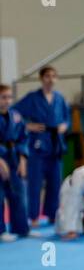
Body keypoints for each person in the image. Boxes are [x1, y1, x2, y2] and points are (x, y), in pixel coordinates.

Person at [14, 65, 69, 227]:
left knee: (55, 181)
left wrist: (64, 126)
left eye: (53, 76)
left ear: (56, 79)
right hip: (37, 144)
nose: (50, 79)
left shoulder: (60, 98)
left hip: (55, 144)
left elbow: (67, 118)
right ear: (41, 79)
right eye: (47, 76)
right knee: (35, 182)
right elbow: (14, 114)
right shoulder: (32, 97)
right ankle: (33, 217)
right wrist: (27, 126)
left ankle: (53, 214)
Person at [0, 84, 33, 242]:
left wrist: (23, 159)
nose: (7, 100)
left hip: (14, 157)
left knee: (20, 193)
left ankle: (21, 228)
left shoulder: (16, 116)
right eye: (3, 97)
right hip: (1, 158)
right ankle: (1, 231)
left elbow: (23, 137)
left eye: (9, 97)